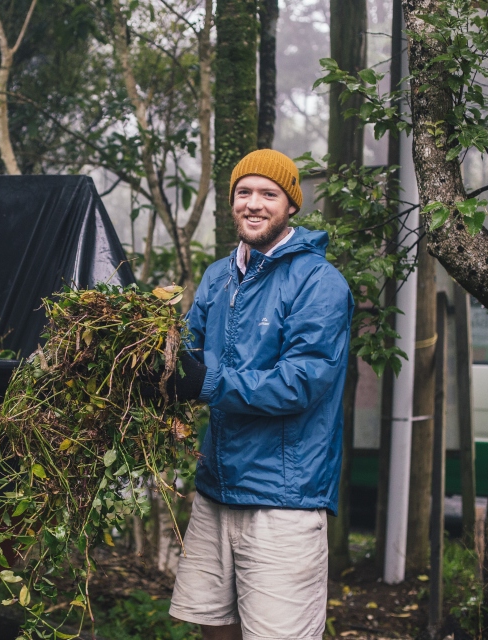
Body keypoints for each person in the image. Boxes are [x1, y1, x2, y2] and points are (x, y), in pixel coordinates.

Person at [165, 149, 354, 640]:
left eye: (268, 194)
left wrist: (203, 382)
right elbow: (188, 354)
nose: (253, 203)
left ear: (291, 205)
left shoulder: (319, 283)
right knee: (213, 626)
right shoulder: (218, 276)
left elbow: (300, 383)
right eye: (243, 192)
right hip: (216, 490)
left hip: (283, 500)